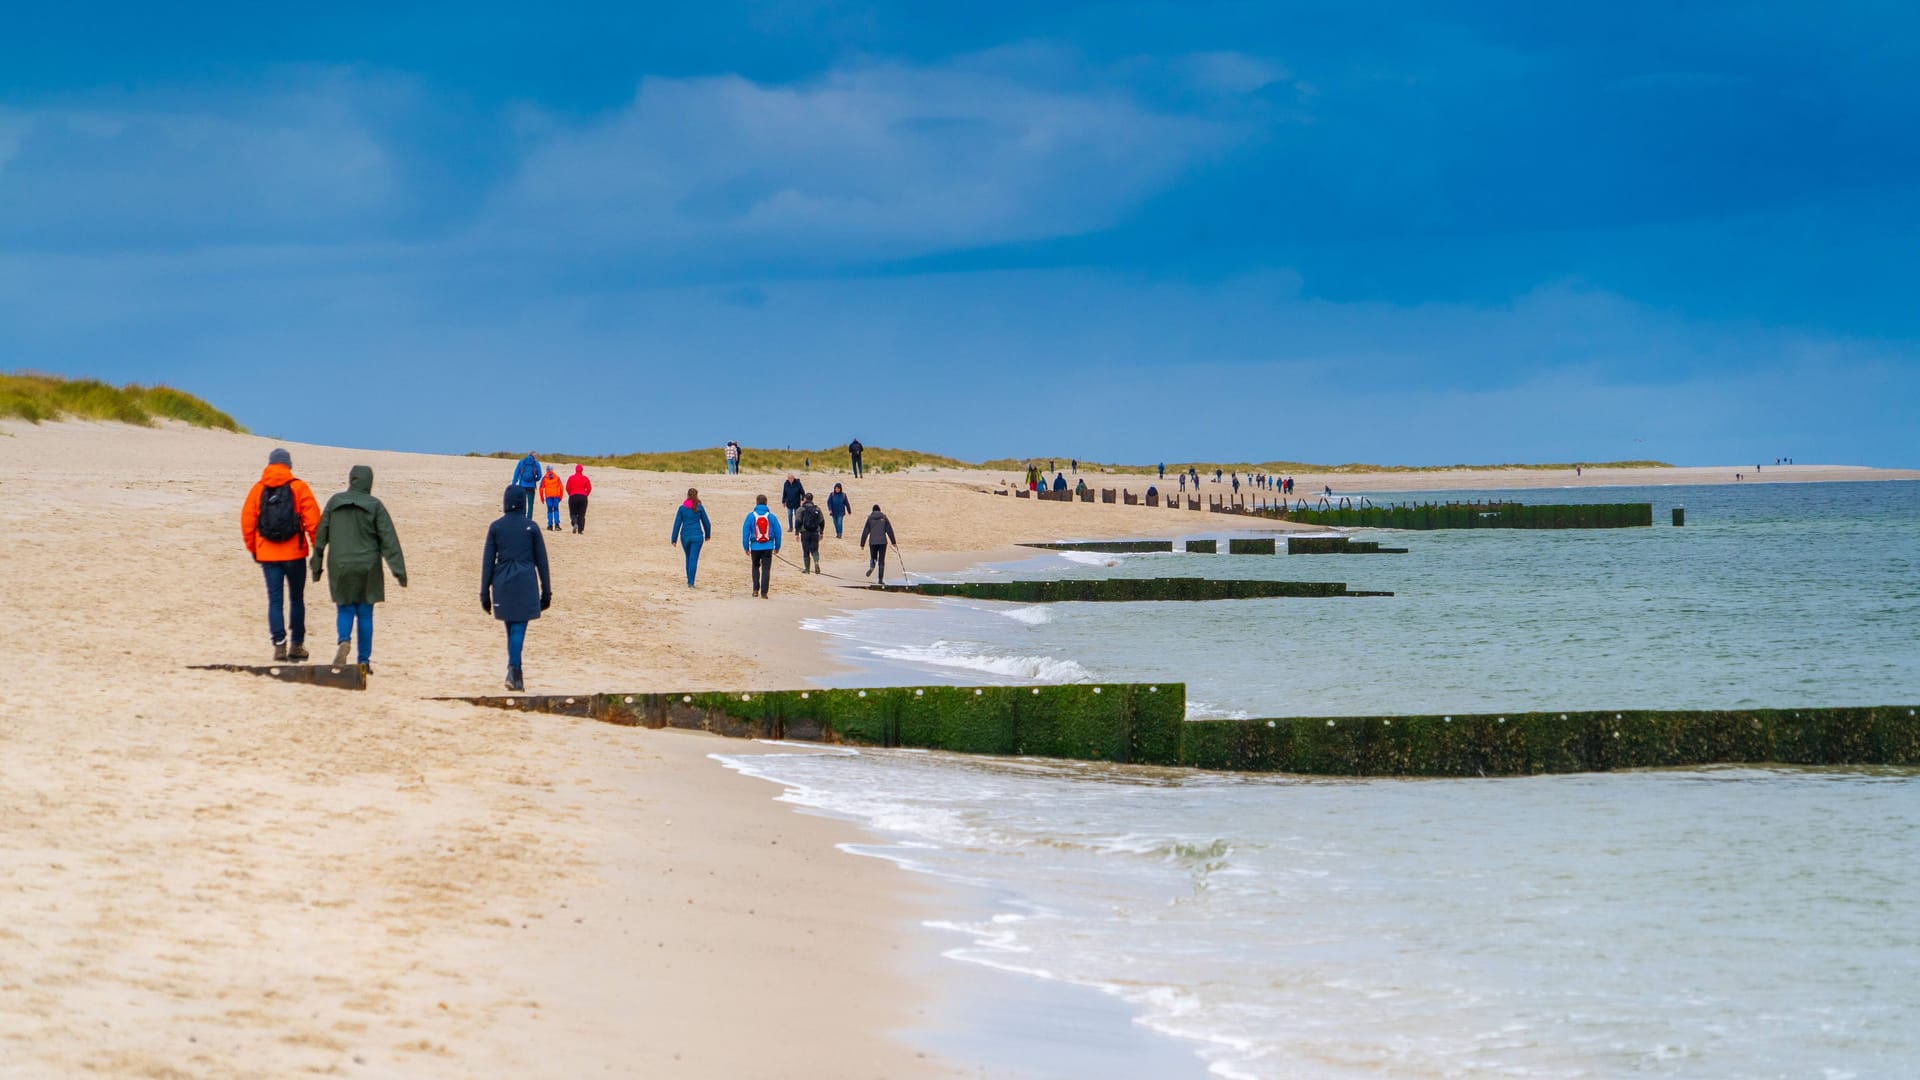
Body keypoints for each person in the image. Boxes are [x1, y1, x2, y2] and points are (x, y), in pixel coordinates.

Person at [309, 465, 407, 676]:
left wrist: (316, 566)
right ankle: (363, 661)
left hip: (340, 564)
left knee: (344, 608)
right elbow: (389, 540)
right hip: (368, 566)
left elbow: (320, 536)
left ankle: (344, 640)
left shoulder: (334, 502)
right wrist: (399, 571)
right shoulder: (375, 505)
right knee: (365, 614)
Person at [241, 447, 322, 662]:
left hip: (268, 555)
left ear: (269, 464)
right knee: (297, 598)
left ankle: (279, 645)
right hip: (294, 553)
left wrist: (254, 549)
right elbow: (313, 521)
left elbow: (247, 523)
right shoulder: (298, 487)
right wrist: (317, 548)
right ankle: (297, 644)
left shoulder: (258, 489)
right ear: (288, 465)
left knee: (275, 600)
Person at [482, 486, 551, 692]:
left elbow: (487, 562)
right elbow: (542, 562)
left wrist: (484, 592)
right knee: (518, 629)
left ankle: (516, 675)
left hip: (502, 582)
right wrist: (546, 592)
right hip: (525, 581)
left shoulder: (496, 527)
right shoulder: (532, 527)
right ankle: (513, 671)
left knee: (511, 630)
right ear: (523, 503)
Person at [670, 487, 712, 587]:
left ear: (688, 496)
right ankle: (691, 582)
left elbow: (677, 524)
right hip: (697, 536)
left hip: (685, 536)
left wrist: (674, 539)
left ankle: (689, 580)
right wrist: (707, 535)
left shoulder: (682, 508)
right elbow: (707, 523)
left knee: (688, 558)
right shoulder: (699, 507)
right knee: (693, 558)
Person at [742, 495, 782, 598]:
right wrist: (777, 547)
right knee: (766, 569)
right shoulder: (771, 517)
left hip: (755, 547)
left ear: (756, 503)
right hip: (768, 546)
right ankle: (764, 593)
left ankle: (755, 590)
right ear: (766, 503)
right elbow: (778, 532)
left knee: (755, 567)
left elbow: (745, 532)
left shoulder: (750, 516)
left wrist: (746, 547)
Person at [860, 504, 897, 584]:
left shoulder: (870, 518)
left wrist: (862, 543)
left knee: (873, 557)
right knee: (881, 560)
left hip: (873, 542)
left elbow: (865, 531)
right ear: (880, 510)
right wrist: (893, 542)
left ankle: (872, 566)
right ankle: (880, 580)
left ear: (873, 510)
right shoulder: (884, 517)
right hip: (882, 542)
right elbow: (889, 530)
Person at [796, 492, 826, 574]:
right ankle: (816, 562)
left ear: (805, 499)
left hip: (805, 532)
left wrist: (796, 533)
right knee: (815, 549)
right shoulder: (817, 509)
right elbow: (822, 521)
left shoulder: (801, 509)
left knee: (806, 551)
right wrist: (821, 532)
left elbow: (798, 521)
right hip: (815, 532)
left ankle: (807, 569)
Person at [512, 452, 542, 518]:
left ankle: (523, 518)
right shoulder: (536, 463)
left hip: (522, 485)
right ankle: (529, 520)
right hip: (531, 487)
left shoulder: (521, 462)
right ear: (535, 456)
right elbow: (539, 476)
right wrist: (535, 479)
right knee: (530, 505)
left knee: (523, 503)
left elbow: (516, 473)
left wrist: (513, 483)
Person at [565, 464, 592, 533]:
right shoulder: (585, 478)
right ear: (582, 470)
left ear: (575, 470)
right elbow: (589, 488)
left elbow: (567, 488)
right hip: (583, 497)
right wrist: (586, 494)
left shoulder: (571, 478)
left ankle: (575, 523)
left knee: (573, 513)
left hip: (573, 496)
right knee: (582, 514)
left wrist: (570, 494)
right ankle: (580, 530)